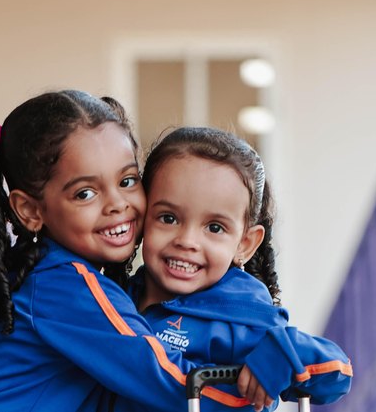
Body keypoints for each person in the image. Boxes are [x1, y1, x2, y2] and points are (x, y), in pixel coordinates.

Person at [0, 91, 269, 412]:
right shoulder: (64, 285)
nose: (117, 204)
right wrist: (252, 401)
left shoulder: (51, 276)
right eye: (85, 193)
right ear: (30, 211)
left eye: (128, 181)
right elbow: (157, 372)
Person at [124, 127, 352, 410]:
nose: (187, 241)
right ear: (142, 216)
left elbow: (339, 373)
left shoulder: (241, 318)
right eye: (168, 218)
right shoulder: (115, 296)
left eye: (215, 227)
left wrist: (284, 350)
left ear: (245, 244)